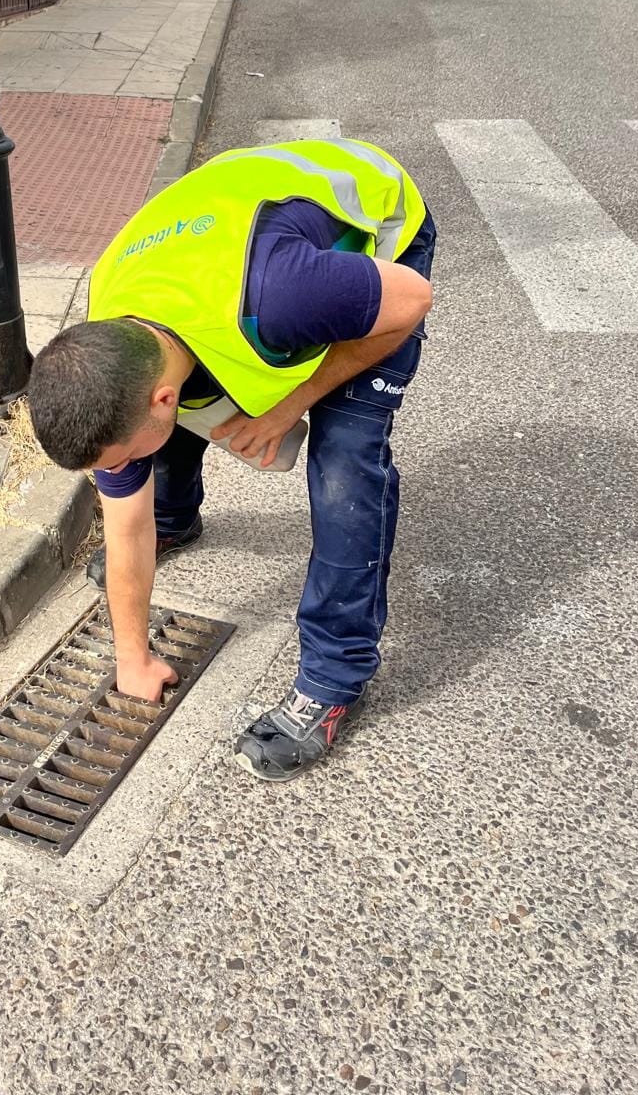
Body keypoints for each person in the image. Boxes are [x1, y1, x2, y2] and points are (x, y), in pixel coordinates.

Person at [28, 140, 436, 783]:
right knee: (165, 422)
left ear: (162, 399)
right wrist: (133, 658)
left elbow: (412, 301)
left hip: (379, 228)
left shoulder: (281, 295)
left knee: (344, 459)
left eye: (120, 459)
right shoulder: (111, 338)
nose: (118, 471)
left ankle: (334, 677)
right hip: (232, 224)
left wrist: (288, 406)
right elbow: (123, 526)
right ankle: (175, 517)